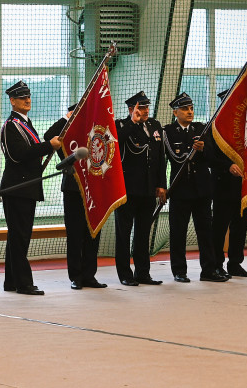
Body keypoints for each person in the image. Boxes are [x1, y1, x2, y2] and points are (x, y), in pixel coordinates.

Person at [0, 80, 62, 295]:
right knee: (20, 235)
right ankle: (24, 282)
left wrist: (47, 146)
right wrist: (48, 146)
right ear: (12, 101)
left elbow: (31, 149)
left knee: (18, 235)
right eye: (22, 97)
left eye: (28, 96)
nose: (27, 100)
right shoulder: (11, 125)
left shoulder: (25, 123)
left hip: (27, 187)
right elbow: (18, 154)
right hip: (17, 188)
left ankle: (11, 281)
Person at [162, 92, 226, 283]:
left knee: (206, 232)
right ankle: (179, 271)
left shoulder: (202, 129)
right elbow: (171, 158)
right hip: (180, 190)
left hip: (202, 190)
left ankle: (209, 270)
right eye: (184, 109)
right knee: (178, 232)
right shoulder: (168, 132)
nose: (189, 112)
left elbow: (212, 158)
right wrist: (192, 149)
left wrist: (203, 149)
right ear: (175, 113)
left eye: (191, 108)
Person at [46, 105, 107, 290]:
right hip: (73, 187)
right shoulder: (66, 130)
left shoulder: (93, 130)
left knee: (92, 232)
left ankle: (90, 275)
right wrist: (67, 118)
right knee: (75, 233)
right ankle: (76, 276)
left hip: (94, 187)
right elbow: (49, 135)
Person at [114, 91, 166, 286]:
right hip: (127, 190)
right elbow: (117, 142)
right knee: (124, 233)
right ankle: (125, 274)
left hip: (148, 189)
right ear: (131, 109)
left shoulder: (154, 126)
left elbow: (160, 158)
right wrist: (133, 122)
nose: (145, 111)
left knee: (143, 233)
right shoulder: (122, 125)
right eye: (140, 107)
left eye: (146, 107)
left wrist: (161, 184)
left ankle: (143, 273)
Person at [207, 88, 247, 278]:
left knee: (240, 227)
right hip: (222, 186)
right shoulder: (214, 128)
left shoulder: (245, 128)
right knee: (219, 227)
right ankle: (217, 264)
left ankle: (235, 263)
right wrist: (227, 166)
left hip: (243, 187)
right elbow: (209, 157)